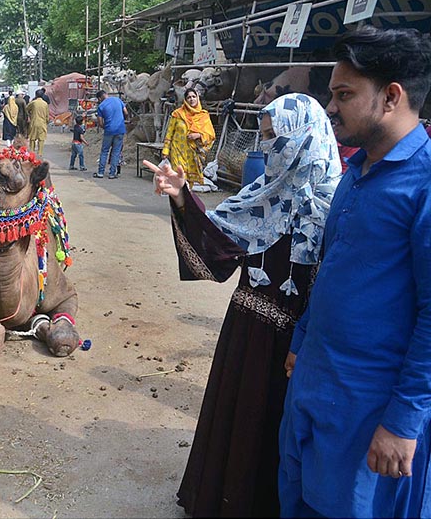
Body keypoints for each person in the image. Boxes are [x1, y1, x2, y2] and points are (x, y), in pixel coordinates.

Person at [144, 93, 342, 517]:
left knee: (276, 431)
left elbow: (340, 289)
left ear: (305, 138)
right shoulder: (260, 196)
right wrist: (182, 197)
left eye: (276, 139)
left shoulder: (338, 206)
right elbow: (218, 247)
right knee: (236, 420)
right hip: (244, 333)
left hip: (294, 348)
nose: (268, 148)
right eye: (264, 137)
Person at [279, 27, 431, 519]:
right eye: (331, 94)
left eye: (344, 95)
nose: (330, 107)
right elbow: (332, 267)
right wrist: (302, 340)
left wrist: (403, 421)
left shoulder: (423, 185)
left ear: (391, 97)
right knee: (299, 499)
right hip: (316, 388)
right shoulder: (357, 170)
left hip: (372, 410)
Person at [161, 87, 216, 188]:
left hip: (192, 152)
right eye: (189, 97)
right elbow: (169, 133)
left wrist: (198, 135)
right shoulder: (177, 114)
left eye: (194, 97)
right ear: (185, 100)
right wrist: (165, 150)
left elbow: (211, 135)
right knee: (179, 178)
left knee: (189, 182)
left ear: (197, 98)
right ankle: (178, 200)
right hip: (177, 150)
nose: (191, 99)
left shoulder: (203, 116)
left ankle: (185, 201)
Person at [95, 90, 128, 179]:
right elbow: (126, 112)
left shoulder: (101, 106)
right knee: (116, 152)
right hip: (120, 130)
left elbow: (100, 122)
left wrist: (106, 127)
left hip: (109, 131)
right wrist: (121, 121)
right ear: (106, 94)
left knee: (104, 151)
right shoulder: (118, 100)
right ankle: (112, 173)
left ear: (99, 98)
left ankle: (101, 172)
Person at [27, 89, 49, 155]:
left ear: (36, 95)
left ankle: (32, 153)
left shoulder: (33, 103)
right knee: (41, 139)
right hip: (42, 123)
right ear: (42, 95)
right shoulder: (45, 104)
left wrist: (30, 115)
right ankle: (40, 154)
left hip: (34, 123)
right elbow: (47, 116)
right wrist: (46, 122)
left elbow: (27, 108)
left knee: (32, 139)